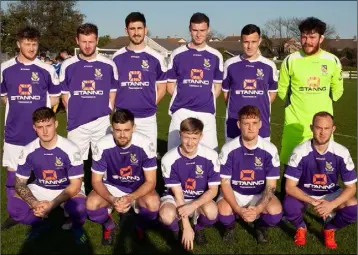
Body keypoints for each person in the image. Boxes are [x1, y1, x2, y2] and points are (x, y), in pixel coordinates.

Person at [0, 26, 60, 229]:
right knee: (12, 175)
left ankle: (40, 210)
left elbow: (54, 100)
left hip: (39, 134)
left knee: (40, 174)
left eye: (34, 44)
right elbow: (3, 98)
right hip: (14, 132)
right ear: (18, 44)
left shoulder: (47, 69)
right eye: (27, 43)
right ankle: (15, 212)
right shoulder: (5, 68)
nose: (32, 47)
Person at [7, 107, 87, 244]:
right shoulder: (28, 150)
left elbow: (75, 185)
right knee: (14, 207)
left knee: (79, 207)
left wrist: (52, 205)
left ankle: (76, 226)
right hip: (41, 187)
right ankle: (39, 224)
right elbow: (20, 183)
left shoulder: (71, 149)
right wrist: (35, 203)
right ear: (34, 128)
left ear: (56, 124)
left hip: (66, 187)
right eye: (40, 127)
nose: (45, 131)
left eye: (48, 125)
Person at [283, 111, 357, 249]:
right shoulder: (299, 151)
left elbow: (352, 187)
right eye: (318, 128)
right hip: (306, 193)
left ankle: (329, 228)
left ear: (333, 129)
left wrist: (331, 205)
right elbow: (289, 187)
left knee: (353, 207)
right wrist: (313, 202)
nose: (322, 132)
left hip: (330, 193)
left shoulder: (341, 152)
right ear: (311, 128)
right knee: (288, 204)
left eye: (326, 128)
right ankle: (301, 227)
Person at [86, 109, 160, 246]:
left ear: (134, 128)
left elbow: (151, 181)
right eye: (117, 130)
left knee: (154, 204)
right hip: (112, 186)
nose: (122, 135)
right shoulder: (102, 145)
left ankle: (139, 225)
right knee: (91, 205)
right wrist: (112, 199)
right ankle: (109, 225)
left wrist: (129, 198)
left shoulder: (145, 143)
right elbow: (96, 181)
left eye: (126, 130)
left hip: (138, 187)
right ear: (112, 128)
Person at [277, 17, 344, 168]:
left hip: (322, 128)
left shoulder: (332, 61)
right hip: (294, 127)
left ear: (321, 38)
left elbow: (337, 92)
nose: (307, 41)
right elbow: (282, 92)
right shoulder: (290, 60)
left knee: (322, 173)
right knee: (290, 173)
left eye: (312, 37)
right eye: (304, 37)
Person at [217, 105, 282, 244]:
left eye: (254, 123)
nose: (250, 128)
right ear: (239, 124)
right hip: (235, 192)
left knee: (275, 212)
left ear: (260, 124)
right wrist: (238, 209)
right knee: (222, 211)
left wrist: (258, 209)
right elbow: (225, 184)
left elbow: (271, 186)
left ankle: (260, 227)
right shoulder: (228, 149)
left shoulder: (269, 149)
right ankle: (230, 227)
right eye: (246, 123)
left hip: (258, 193)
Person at [60, 23, 118, 162]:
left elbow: (113, 92)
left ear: (97, 41)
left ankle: (102, 184)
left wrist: (107, 109)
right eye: (84, 41)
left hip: (101, 122)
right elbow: (65, 96)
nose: (87, 46)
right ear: (77, 41)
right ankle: (79, 185)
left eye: (91, 41)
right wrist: (76, 112)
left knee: (104, 160)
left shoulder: (109, 65)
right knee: (75, 161)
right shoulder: (67, 65)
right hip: (77, 124)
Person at [159, 117, 220, 250]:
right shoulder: (168, 159)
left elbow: (214, 190)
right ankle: (176, 231)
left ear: (201, 137)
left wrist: (194, 205)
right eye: (186, 137)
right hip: (175, 198)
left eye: (194, 138)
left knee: (212, 212)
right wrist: (186, 226)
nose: (190, 143)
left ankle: (198, 228)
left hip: (198, 198)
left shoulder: (211, 156)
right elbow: (178, 194)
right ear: (180, 134)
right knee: (166, 215)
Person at [167, 12, 223, 151]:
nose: (199, 34)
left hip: (206, 112)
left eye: (202, 30)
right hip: (181, 111)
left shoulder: (216, 56)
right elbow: (170, 86)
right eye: (195, 30)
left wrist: (202, 99)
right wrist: (185, 99)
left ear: (208, 30)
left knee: (211, 156)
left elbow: (217, 88)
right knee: (174, 153)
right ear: (190, 29)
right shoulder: (177, 54)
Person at [112, 12, 167, 153]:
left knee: (148, 157)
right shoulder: (116, 58)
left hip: (147, 119)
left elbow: (162, 88)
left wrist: (149, 104)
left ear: (145, 29)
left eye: (139, 28)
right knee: (122, 157)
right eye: (132, 29)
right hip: (123, 118)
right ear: (126, 31)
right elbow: (112, 89)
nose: (136, 33)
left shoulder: (156, 57)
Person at [222, 24, 278, 142]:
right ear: (241, 41)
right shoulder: (230, 64)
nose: (249, 46)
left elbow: (272, 95)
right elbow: (226, 95)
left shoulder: (269, 66)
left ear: (260, 41)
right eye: (246, 42)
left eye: (253, 41)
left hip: (261, 126)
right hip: (234, 124)